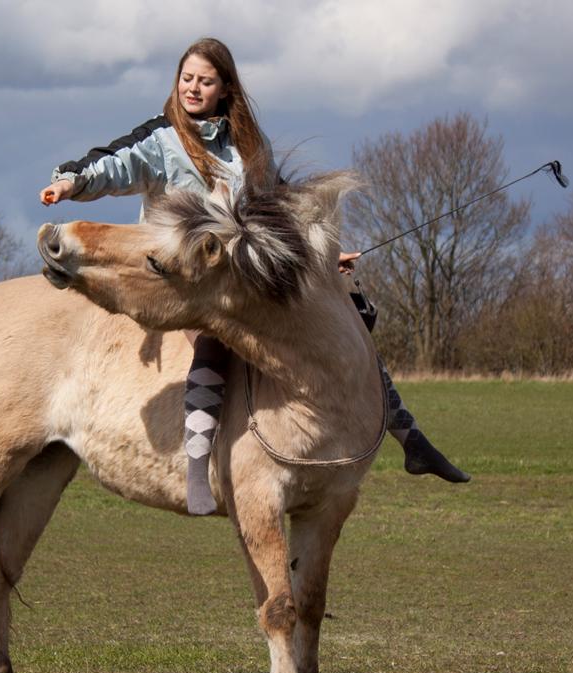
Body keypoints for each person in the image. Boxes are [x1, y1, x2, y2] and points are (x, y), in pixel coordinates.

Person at [40, 37, 469, 515]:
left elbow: (279, 207)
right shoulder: (162, 139)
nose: (193, 88)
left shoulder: (250, 143)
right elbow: (113, 164)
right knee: (214, 338)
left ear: (225, 88)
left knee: (342, 315)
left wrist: (322, 257)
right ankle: (199, 464)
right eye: (187, 79)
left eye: (205, 81)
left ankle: (406, 433)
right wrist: (69, 182)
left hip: (247, 275)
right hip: (186, 279)